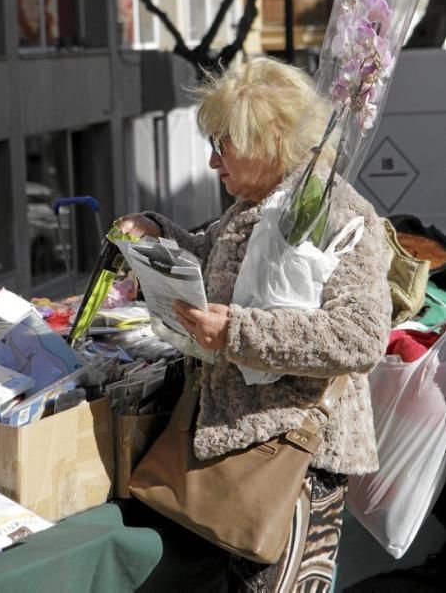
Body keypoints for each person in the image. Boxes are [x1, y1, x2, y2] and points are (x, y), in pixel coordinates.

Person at [116, 57, 392, 592]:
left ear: (270, 136)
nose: (214, 161)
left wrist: (238, 333)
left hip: (292, 460)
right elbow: (220, 269)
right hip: (237, 453)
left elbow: (360, 337)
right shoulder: (254, 202)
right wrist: (158, 235)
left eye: (224, 142)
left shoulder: (334, 211)